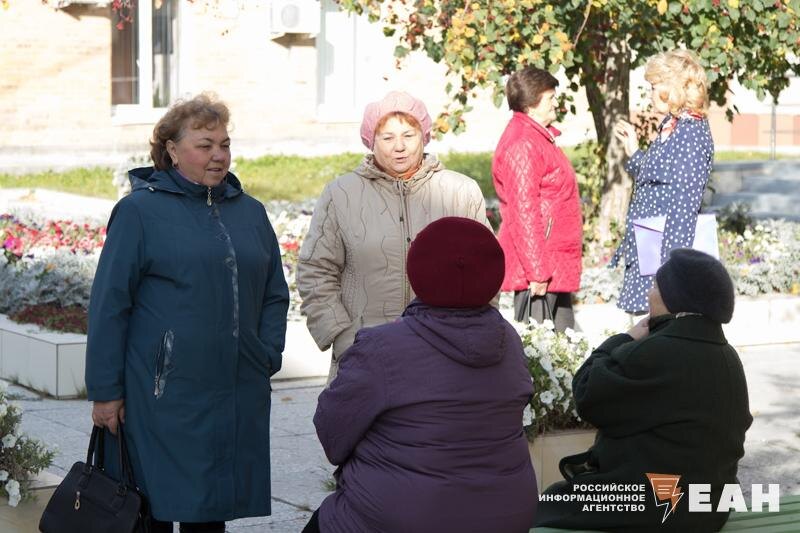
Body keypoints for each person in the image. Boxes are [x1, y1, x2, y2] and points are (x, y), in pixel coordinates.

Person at [85, 94, 289, 533]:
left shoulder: (250, 212)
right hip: (161, 394)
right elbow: (110, 304)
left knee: (210, 510)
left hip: (233, 389)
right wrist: (105, 391)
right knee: (152, 507)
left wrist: (266, 353)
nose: (218, 155)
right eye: (205, 145)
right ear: (172, 151)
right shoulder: (140, 212)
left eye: (224, 144)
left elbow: (275, 292)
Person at [304, 217, 537, 533]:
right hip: (508, 514)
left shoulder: (381, 348)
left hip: (403, 518)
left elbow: (332, 433)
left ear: (416, 271)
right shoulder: (508, 340)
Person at [534, 248, 752, 532]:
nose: (649, 294)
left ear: (674, 299)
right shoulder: (727, 355)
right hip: (711, 508)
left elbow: (587, 393)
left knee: (548, 505)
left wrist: (624, 338)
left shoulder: (657, 351)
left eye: (656, 287)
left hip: (658, 506)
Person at [297, 91, 491, 381]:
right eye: (387, 138)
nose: (399, 147)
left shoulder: (460, 192)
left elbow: (485, 268)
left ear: (424, 136)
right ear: (371, 140)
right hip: (366, 353)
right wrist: (342, 336)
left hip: (444, 351)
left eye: (408, 136)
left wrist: (474, 333)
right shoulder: (341, 194)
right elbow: (316, 269)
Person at [611, 49, 714, 314]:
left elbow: (683, 209)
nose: (650, 93)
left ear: (672, 88)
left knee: (659, 327)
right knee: (648, 326)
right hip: (651, 246)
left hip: (663, 254)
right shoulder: (673, 125)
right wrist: (634, 151)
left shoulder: (690, 134)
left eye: (654, 86)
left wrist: (669, 277)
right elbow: (658, 182)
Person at [492, 67, 582, 332]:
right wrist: (538, 271)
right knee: (540, 348)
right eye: (550, 97)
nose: (555, 102)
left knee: (564, 346)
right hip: (539, 267)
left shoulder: (536, 137)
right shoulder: (523, 143)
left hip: (551, 261)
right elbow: (523, 212)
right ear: (531, 104)